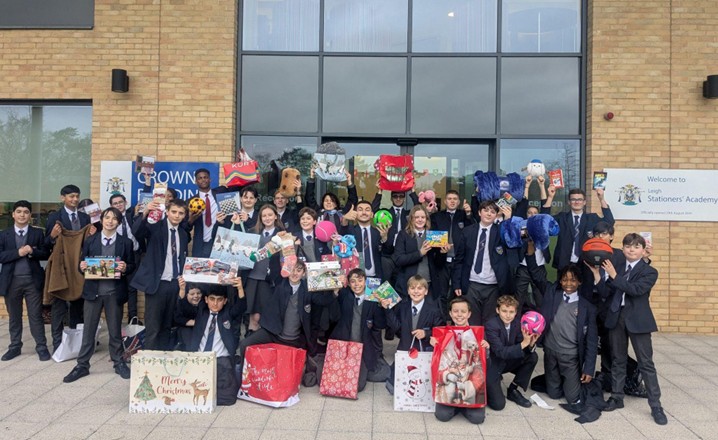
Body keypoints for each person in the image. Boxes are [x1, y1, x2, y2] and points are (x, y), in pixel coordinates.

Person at [599, 233, 667, 425]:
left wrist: (614, 276)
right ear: (623, 248)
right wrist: (604, 276)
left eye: (636, 246)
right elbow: (608, 289)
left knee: (646, 363)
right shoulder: (618, 266)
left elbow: (635, 290)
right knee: (618, 360)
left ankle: (656, 405)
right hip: (617, 318)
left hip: (638, 320)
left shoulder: (649, 271)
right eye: (628, 246)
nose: (631, 249)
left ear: (643, 250)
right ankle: (617, 397)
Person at [63, 207, 135, 383]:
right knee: (88, 331)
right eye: (107, 217)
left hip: (114, 293)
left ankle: (118, 362)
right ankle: (82, 365)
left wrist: (125, 268)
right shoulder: (91, 240)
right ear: (101, 220)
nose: (110, 221)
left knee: (115, 331)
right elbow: (83, 264)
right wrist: (81, 267)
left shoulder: (126, 242)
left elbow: (133, 265)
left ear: (119, 222)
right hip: (93, 292)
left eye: (114, 218)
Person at [528, 246, 598, 409]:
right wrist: (530, 253)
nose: (568, 283)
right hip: (551, 352)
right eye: (565, 279)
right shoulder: (552, 293)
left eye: (573, 280)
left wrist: (589, 368)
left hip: (571, 356)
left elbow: (592, 341)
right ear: (560, 281)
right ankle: (555, 377)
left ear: (579, 282)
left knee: (572, 397)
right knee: (553, 394)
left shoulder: (587, 307)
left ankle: (566, 377)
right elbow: (537, 276)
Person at [237, 261, 335, 366]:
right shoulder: (279, 283)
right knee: (244, 344)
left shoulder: (307, 289)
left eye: (298, 270)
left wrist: (335, 289)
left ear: (304, 273)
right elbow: (274, 267)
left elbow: (323, 301)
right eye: (292, 269)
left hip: (294, 340)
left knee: (292, 369)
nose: (295, 273)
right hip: (274, 334)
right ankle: (245, 377)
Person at [130, 198, 189, 350]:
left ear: (184, 215)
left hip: (175, 283)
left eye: (181, 213)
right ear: (167, 212)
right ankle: (149, 360)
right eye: (174, 212)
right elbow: (136, 232)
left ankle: (163, 358)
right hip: (157, 284)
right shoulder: (156, 228)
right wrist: (145, 212)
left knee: (167, 325)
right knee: (153, 327)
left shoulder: (183, 234)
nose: (177, 216)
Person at [45, 184, 95, 352]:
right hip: (61, 266)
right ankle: (58, 344)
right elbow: (45, 245)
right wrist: (52, 237)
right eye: (71, 196)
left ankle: (77, 343)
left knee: (78, 306)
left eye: (76, 196)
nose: (74, 200)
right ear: (62, 198)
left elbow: (89, 244)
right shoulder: (54, 217)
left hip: (79, 267)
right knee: (59, 306)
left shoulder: (85, 217)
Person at [0, 200, 51, 361]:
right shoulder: (4, 234)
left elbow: (45, 253)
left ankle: (41, 347)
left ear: (30, 215)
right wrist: (19, 252)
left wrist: (32, 252)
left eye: (26, 212)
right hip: (11, 281)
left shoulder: (37, 233)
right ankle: (15, 346)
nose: (22, 215)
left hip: (32, 281)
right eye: (19, 212)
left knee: (35, 315)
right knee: (14, 316)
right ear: (13, 214)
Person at [452, 200, 513, 325]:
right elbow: (459, 260)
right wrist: (457, 283)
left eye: (492, 211)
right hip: (472, 284)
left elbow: (511, 245)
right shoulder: (468, 231)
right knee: (472, 321)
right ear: (479, 212)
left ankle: (486, 345)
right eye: (485, 210)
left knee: (490, 322)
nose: (489, 214)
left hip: (493, 285)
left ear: (496, 215)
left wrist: (507, 222)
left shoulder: (500, 232)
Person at [430, 297, 489, 424]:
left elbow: (483, 366)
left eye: (463, 311)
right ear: (450, 313)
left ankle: (462, 406)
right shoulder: (442, 333)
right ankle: (457, 406)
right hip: (449, 387)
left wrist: (486, 349)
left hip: (470, 388)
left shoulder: (479, 334)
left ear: (469, 313)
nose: (459, 315)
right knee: (442, 416)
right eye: (455, 311)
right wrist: (434, 345)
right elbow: (437, 365)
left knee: (478, 419)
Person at [187, 278, 246, 406]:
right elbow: (182, 309)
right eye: (212, 299)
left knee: (228, 397)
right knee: (188, 391)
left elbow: (241, 307)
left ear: (225, 301)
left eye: (219, 300)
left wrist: (240, 288)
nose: (215, 303)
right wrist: (182, 290)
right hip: (199, 358)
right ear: (206, 300)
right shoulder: (201, 313)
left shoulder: (227, 314)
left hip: (220, 359)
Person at [384, 275, 443, 394]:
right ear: (408, 291)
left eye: (420, 288)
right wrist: (388, 309)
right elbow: (397, 328)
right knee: (394, 387)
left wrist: (426, 333)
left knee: (423, 384)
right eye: (412, 288)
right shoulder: (403, 307)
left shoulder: (433, 310)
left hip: (424, 353)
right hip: (405, 349)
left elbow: (439, 331)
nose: (416, 291)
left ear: (426, 291)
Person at [330, 269, 388, 392]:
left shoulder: (373, 300)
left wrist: (381, 307)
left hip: (362, 349)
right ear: (349, 284)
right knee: (330, 379)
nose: (357, 284)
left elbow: (380, 325)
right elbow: (333, 316)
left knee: (358, 385)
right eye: (353, 281)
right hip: (344, 347)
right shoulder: (344, 295)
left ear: (366, 282)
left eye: (360, 280)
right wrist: (335, 292)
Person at [236, 204, 284, 334]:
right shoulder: (252, 232)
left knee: (262, 314)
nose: (267, 218)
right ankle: (249, 340)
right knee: (251, 313)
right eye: (264, 215)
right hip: (251, 277)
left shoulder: (282, 235)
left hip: (269, 279)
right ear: (260, 218)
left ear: (275, 216)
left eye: (270, 215)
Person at [484, 295, 538, 410]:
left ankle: (513, 389)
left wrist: (531, 344)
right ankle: (488, 386)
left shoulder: (518, 323)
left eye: (511, 312)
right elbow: (500, 352)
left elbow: (521, 348)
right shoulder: (491, 325)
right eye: (504, 311)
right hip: (494, 364)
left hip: (508, 361)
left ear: (516, 312)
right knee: (498, 405)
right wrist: (524, 343)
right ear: (497, 310)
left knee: (532, 357)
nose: (508, 315)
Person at [542, 186, 614, 271]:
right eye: (573, 199)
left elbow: (609, 222)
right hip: (564, 262)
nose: (576, 202)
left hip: (586, 262)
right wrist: (550, 197)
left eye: (580, 199)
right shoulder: (562, 217)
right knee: (564, 284)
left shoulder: (592, 218)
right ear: (569, 202)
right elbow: (543, 221)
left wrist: (601, 199)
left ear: (584, 202)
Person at [430, 190, 476, 319]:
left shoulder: (464, 215)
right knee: (442, 293)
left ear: (459, 202)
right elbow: (431, 237)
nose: (452, 201)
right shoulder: (437, 216)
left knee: (459, 292)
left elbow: (474, 231)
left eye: (455, 199)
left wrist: (469, 214)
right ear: (445, 201)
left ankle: (457, 320)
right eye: (449, 198)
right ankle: (443, 321)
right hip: (442, 260)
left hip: (459, 261)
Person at [393, 205, 449, 299]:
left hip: (429, 284)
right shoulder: (403, 235)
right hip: (408, 284)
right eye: (416, 217)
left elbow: (439, 264)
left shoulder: (433, 235)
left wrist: (443, 253)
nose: (420, 220)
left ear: (427, 219)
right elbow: (399, 260)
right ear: (411, 219)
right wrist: (420, 253)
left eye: (423, 217)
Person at [109, 193, 142, 323]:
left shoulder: (132, 214)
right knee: (116, 288)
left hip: (133, 256)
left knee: (132, 288)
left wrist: (147, 181)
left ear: (125, 202)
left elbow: (145, 199)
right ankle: (115, 319)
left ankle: (132, 318)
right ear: (111, 206)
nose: (118, 205)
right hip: (115, 257)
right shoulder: (109, 219)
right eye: (115, 203)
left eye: (120, 202)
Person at [344, 201, 391, 282]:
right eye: (360, 209)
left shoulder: (379, 232)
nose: (364, 212)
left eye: (367, 210)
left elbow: (387, 253)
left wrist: (384, 238)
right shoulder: (350, 231)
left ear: (372, 214)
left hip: (375, 279)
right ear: (355, 213)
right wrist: (344, 219)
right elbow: (341, 234)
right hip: (356, 280)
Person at [189, 168, 228, 258]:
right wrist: (190, 220)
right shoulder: (191, 202)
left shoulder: (221, 192)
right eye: (200, 178)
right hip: (201, 244)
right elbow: (186, 226)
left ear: (210, 179)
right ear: (196, 181)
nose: (203, 180)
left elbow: (237, 187)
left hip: (219, 242)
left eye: (205, 177)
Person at [305, 168, 358, 233]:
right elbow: (309, 198)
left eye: (332, 200)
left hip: (339, 242)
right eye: (326, 200)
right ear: (323, 203)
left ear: (336, 204)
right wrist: (312, 177)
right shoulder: (317, 212)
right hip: (321, 242)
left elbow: (353, 199)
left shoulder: (342, 213)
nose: (329, 202)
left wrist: (349, 181)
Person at [174, 280, 202, 350]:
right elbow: (178, 319)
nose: (196, 296)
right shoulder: (182, 304)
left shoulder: (204, 304)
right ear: (187, 295)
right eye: (192, 294)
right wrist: (194, 322)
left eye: (198, 293)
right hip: (186, 330)